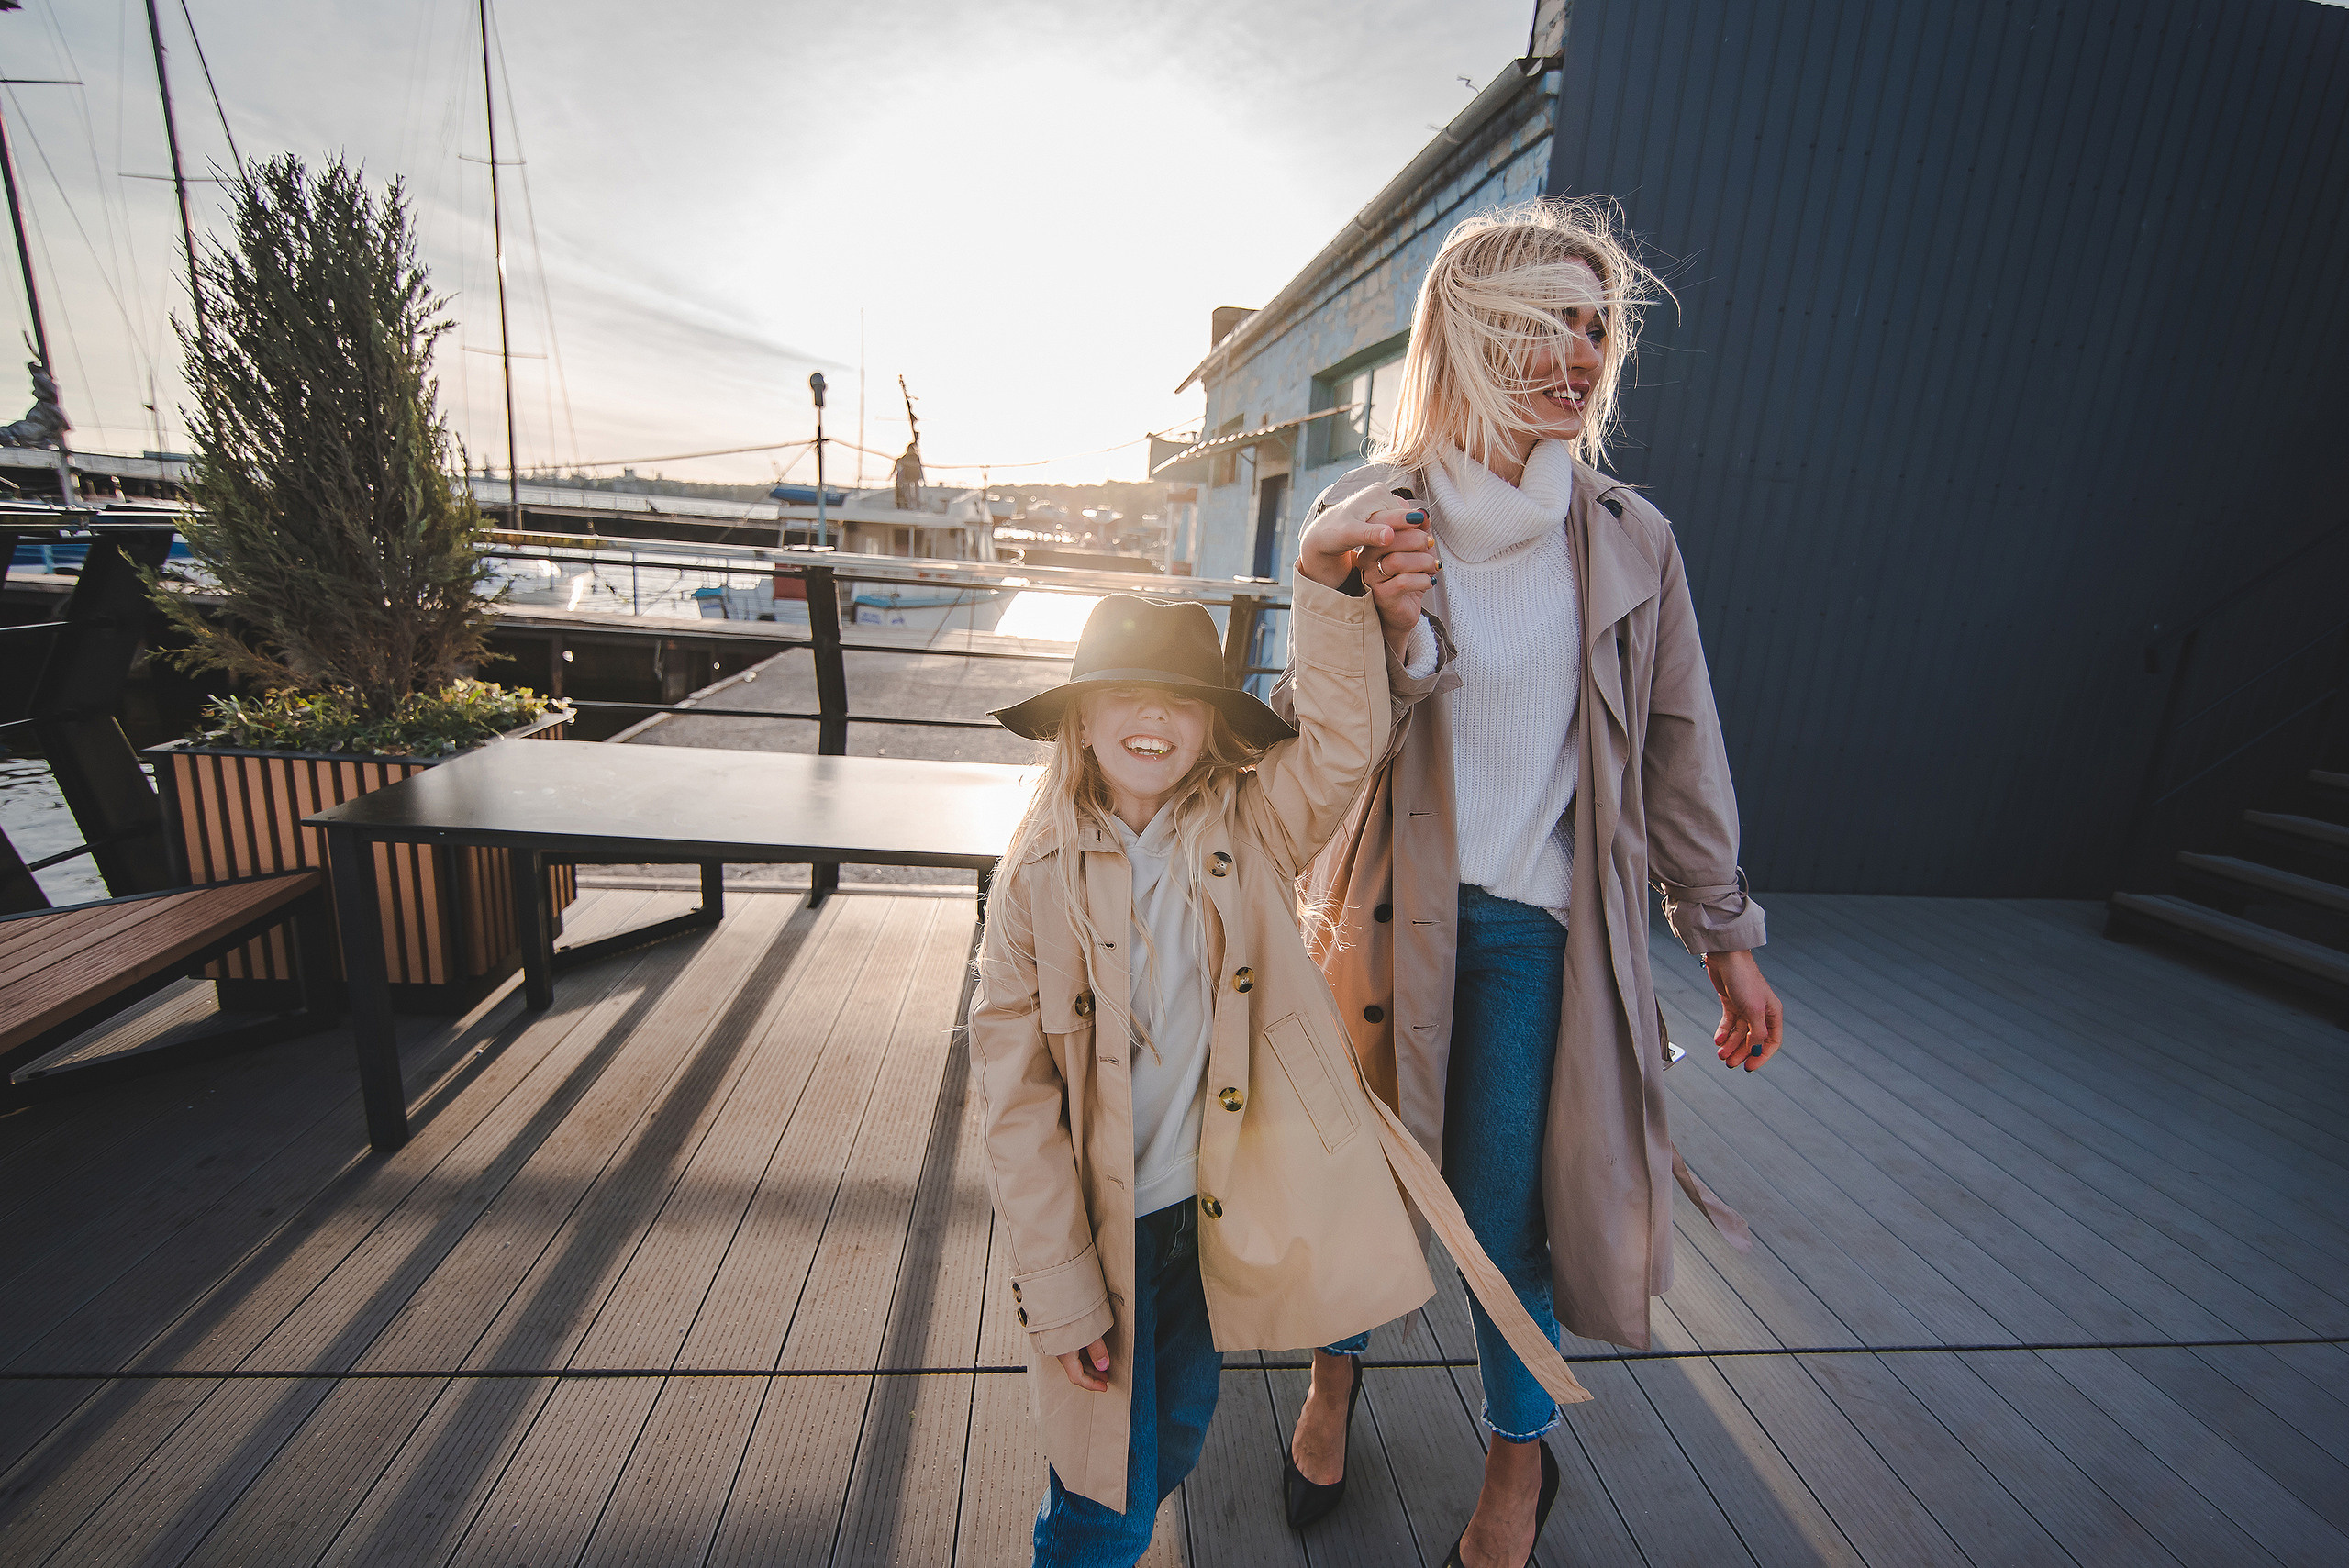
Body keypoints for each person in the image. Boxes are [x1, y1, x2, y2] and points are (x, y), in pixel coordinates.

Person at [1275, 196, 1786, 1568]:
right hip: (1379, 914)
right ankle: (1330, 1382)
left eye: (1595, 326)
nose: (1580, 352)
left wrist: (1724, 936)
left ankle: (1517, 1465)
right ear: (1468, 334)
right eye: (1543, 323)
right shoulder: (1369, 518)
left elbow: (1679, 744)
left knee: (1508, 1219)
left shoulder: (1630, 537)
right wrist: (1373, 629)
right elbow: (1311, 738)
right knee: (1358, 1181)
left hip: (1538, 932)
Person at [972, 506, 1589, 1567]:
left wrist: (1318, 579)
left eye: (1180, 698)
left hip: (1208, 1216)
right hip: (1104, 1233)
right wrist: (1060, 1284)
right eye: (1123, 693)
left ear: (1212, 724)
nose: (1152, 716)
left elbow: (1344, 739)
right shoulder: (1033, 880)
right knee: (1101, 1492)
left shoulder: (1249, 828)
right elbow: (1014, 1100)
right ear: (1079, 718)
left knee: (1171, 1435)